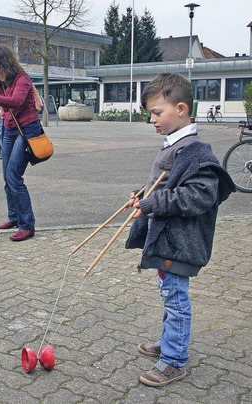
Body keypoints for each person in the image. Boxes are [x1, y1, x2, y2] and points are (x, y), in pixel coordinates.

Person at [125, 73, 235, 387]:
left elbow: (199, 195)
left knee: (176, 298)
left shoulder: (195, 150)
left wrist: (152, 202)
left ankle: (174, 359)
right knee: (169, 293)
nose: (152, 119)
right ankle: (171, 341)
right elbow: (165, 186)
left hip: (180, 243)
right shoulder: (175, 145)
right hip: (167, 238)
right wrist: (143, 194)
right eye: (150, 113)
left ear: (182, 109)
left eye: (157, 112)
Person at [0, 44, 41, 242]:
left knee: (14, 175)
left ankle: (27, 225)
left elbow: (17, 101)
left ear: (6, 63)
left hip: (27, 129)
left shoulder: (22, 79)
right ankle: (14, 217)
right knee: (7, 177)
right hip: (9, 130)